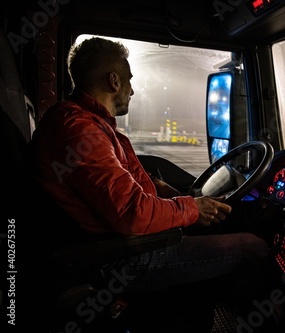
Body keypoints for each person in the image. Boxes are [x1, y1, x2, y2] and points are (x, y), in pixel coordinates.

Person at [25, 37, 271, 331]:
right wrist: (192, 208)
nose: (132, 89)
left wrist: (158, 186)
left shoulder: (82, 120)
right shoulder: (81, 132)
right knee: (252, 247)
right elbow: (133, 214)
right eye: (128, 80)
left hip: (119, 242)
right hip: (119, 257)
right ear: (114, 81)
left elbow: (112, 178)